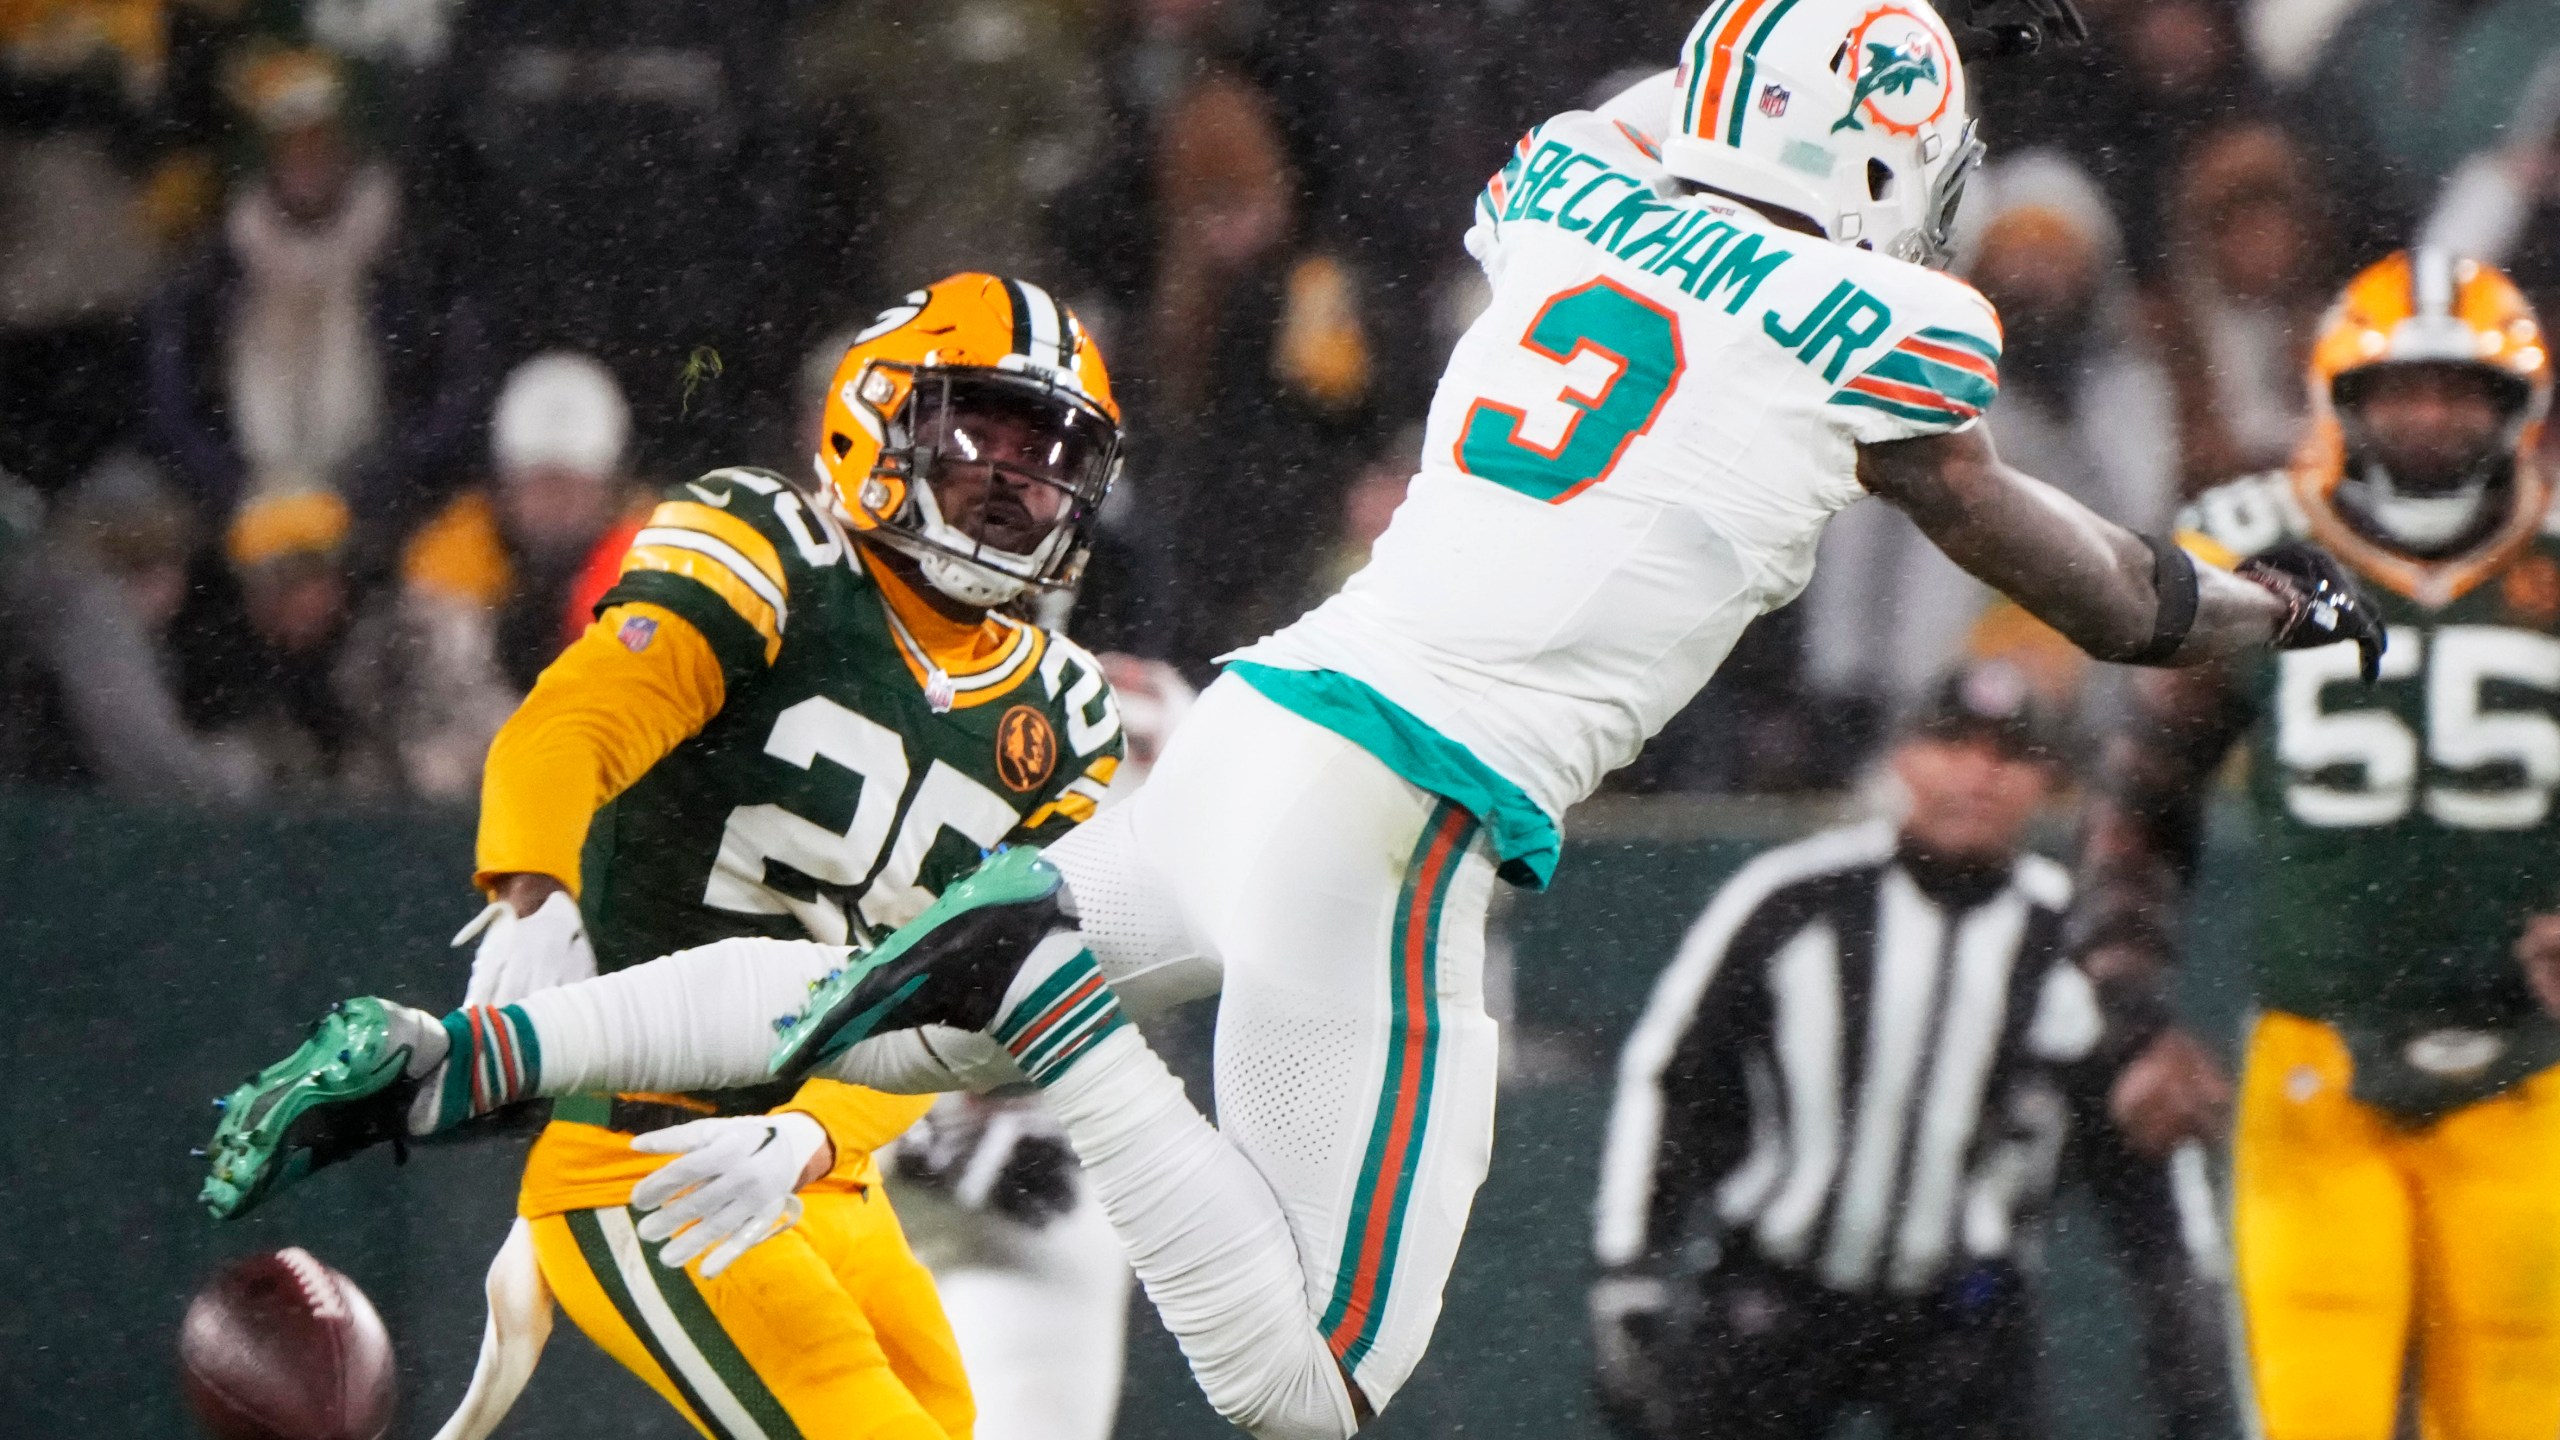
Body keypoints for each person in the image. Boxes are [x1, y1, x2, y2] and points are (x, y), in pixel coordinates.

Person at [206, 6, 2383, 1436]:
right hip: (1410, 812)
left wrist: (482, 1042)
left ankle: (452, 1060)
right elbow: (2082, 587)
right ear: (1892, 164)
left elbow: (1666, 126)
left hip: (1263, 719)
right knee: (1313, 1392)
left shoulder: (1560, 186)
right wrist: (2251, 600)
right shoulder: (1892, 322)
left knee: (860, 1018)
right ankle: (1061, 1028)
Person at [216, 274, 1128, 1440]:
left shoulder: (1067, 717)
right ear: (880, 420)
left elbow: (960, 1009)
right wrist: (534, 887)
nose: (1012, 482)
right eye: (979, 434)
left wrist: (815, 1135)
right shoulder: (771, 548)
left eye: (1046, 453)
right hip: (637, 1147)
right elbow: (578, 718)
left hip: (812, 1166)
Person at [2079, 250, 2560, 1440]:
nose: (2433, 415)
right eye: (2404, 387)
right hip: (2317, 1069)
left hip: (2534, 1068)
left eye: (2462, 389)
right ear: (2343, 397)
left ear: (2516, 406)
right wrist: (2135, 1015)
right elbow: (2141, 805)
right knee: (2314, 1418)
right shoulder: (2256, 547)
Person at [1588, 665, 2229, 1440]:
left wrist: (2182, 1298)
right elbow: (1672, 1080)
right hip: (1775, 1296)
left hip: (1965, 1316)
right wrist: (1630, 1269)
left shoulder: (2074, 936)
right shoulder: (1792, 898)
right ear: (1902, 758)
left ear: (2049, 783)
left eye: (2011, 754)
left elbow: (2145, 1131)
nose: (1979, 775)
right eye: (1954, 743)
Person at [343, 352, 643, 799]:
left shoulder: (653, 554)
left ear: (607, 487)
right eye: (540, 485)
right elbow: (444, 686)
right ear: (506, 485)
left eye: (571, 487)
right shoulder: (454, 554)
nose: (555, 505)